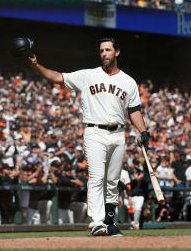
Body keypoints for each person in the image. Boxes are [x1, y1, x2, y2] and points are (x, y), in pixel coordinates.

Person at [26, 37, 150, 236]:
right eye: (101, 50)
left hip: (118, 133)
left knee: (112, 180)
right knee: (96, 176)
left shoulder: (128, 82)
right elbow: (58, 77)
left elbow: (134, 110)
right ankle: (97, 222)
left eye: (108, 50)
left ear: (117, 52)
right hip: (94, 131)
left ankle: (110, 221)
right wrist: (36, 66)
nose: (104, 54)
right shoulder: (88, 75)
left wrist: (143, 131)